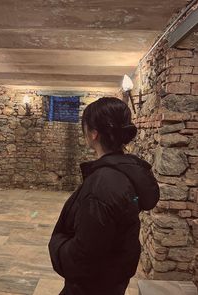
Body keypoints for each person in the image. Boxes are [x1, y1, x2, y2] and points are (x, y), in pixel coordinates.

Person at [48, 97, 160, 295]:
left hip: (91, 287)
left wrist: (58, 245)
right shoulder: (125, 172)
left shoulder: (102, 185)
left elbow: (83, 257)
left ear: (93, 133)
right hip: (112, 281)